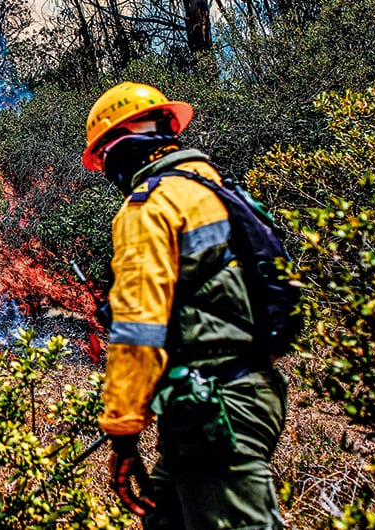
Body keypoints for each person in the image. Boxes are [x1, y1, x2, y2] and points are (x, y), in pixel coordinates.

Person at [81, 82, 289, 529]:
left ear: (119, 146)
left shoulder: (150, 207)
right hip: (247, 393)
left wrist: (122, 431)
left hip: (217, 410)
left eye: (104, 158)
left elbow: (139, 331)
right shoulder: (215, 189)